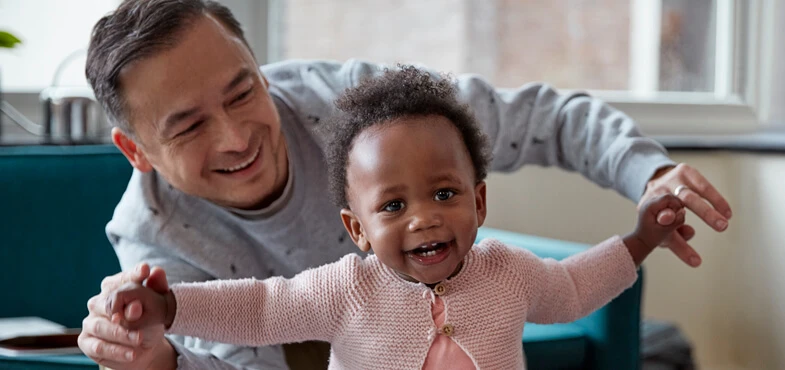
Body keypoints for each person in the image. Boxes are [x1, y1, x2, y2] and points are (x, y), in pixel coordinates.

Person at [78, 1, 732, 369]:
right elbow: (247, 328)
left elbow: (547, 121)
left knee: (662, 349)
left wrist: (647, 178)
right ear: (136, 151)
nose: (235, 137)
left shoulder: (363, 110)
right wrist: (158, 357)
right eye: (188, 125)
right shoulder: (151, 242)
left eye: (243, 90)